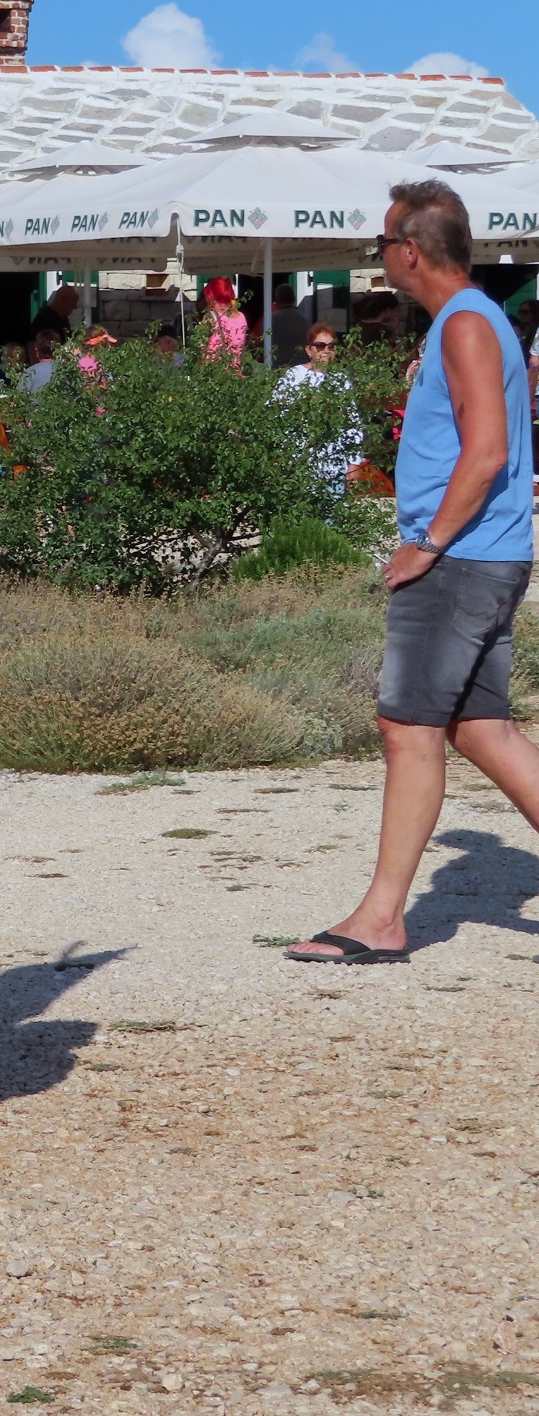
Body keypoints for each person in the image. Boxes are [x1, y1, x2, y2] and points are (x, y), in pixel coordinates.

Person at [288, 182, 536, 964]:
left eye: (383, 244)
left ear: (412, 252)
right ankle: (382, 914)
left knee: (409, 727)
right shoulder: (478, 321)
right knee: (481, 727)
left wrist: (427, 542)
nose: (380, 256)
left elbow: (487, 451)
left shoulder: (464, 324)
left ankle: (382, 918)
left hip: (460, 558)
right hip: (487, 552)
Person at [273, 325, 359, 487]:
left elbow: (351, 423)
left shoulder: (340, 380)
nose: (326, 351)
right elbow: (276, 415)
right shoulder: (294, 376)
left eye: (331, 346)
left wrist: (354, 462)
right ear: (309, 350)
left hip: (335, 468)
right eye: (320, 346)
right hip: (300, 467)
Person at [201, 277, 248, 365]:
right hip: (235, 371)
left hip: (213, 371)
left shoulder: (210, 317)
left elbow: (200, 347)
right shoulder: (241, 317)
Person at [269, 282, 311, 363]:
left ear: (277, 299)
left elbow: (260, 342)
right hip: (301, 365)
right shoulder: (305, 320)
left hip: (277, 366)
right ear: (294, 299)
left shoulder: (270, 320)